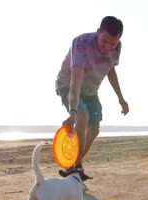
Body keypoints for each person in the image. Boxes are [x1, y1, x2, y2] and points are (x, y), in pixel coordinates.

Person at [55, 16, 129, 176]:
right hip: (69, 84)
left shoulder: (116, 48)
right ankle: (77, 167)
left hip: (90, 91)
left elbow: (111, 70)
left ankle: (74, 163)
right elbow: (75, 82)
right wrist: (73, 113)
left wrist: (120, 98)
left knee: (94, 128)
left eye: (113, 43)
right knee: (82, 116)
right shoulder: (81, 43)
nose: (107, 47)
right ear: (97, 33)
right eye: (104, 41)